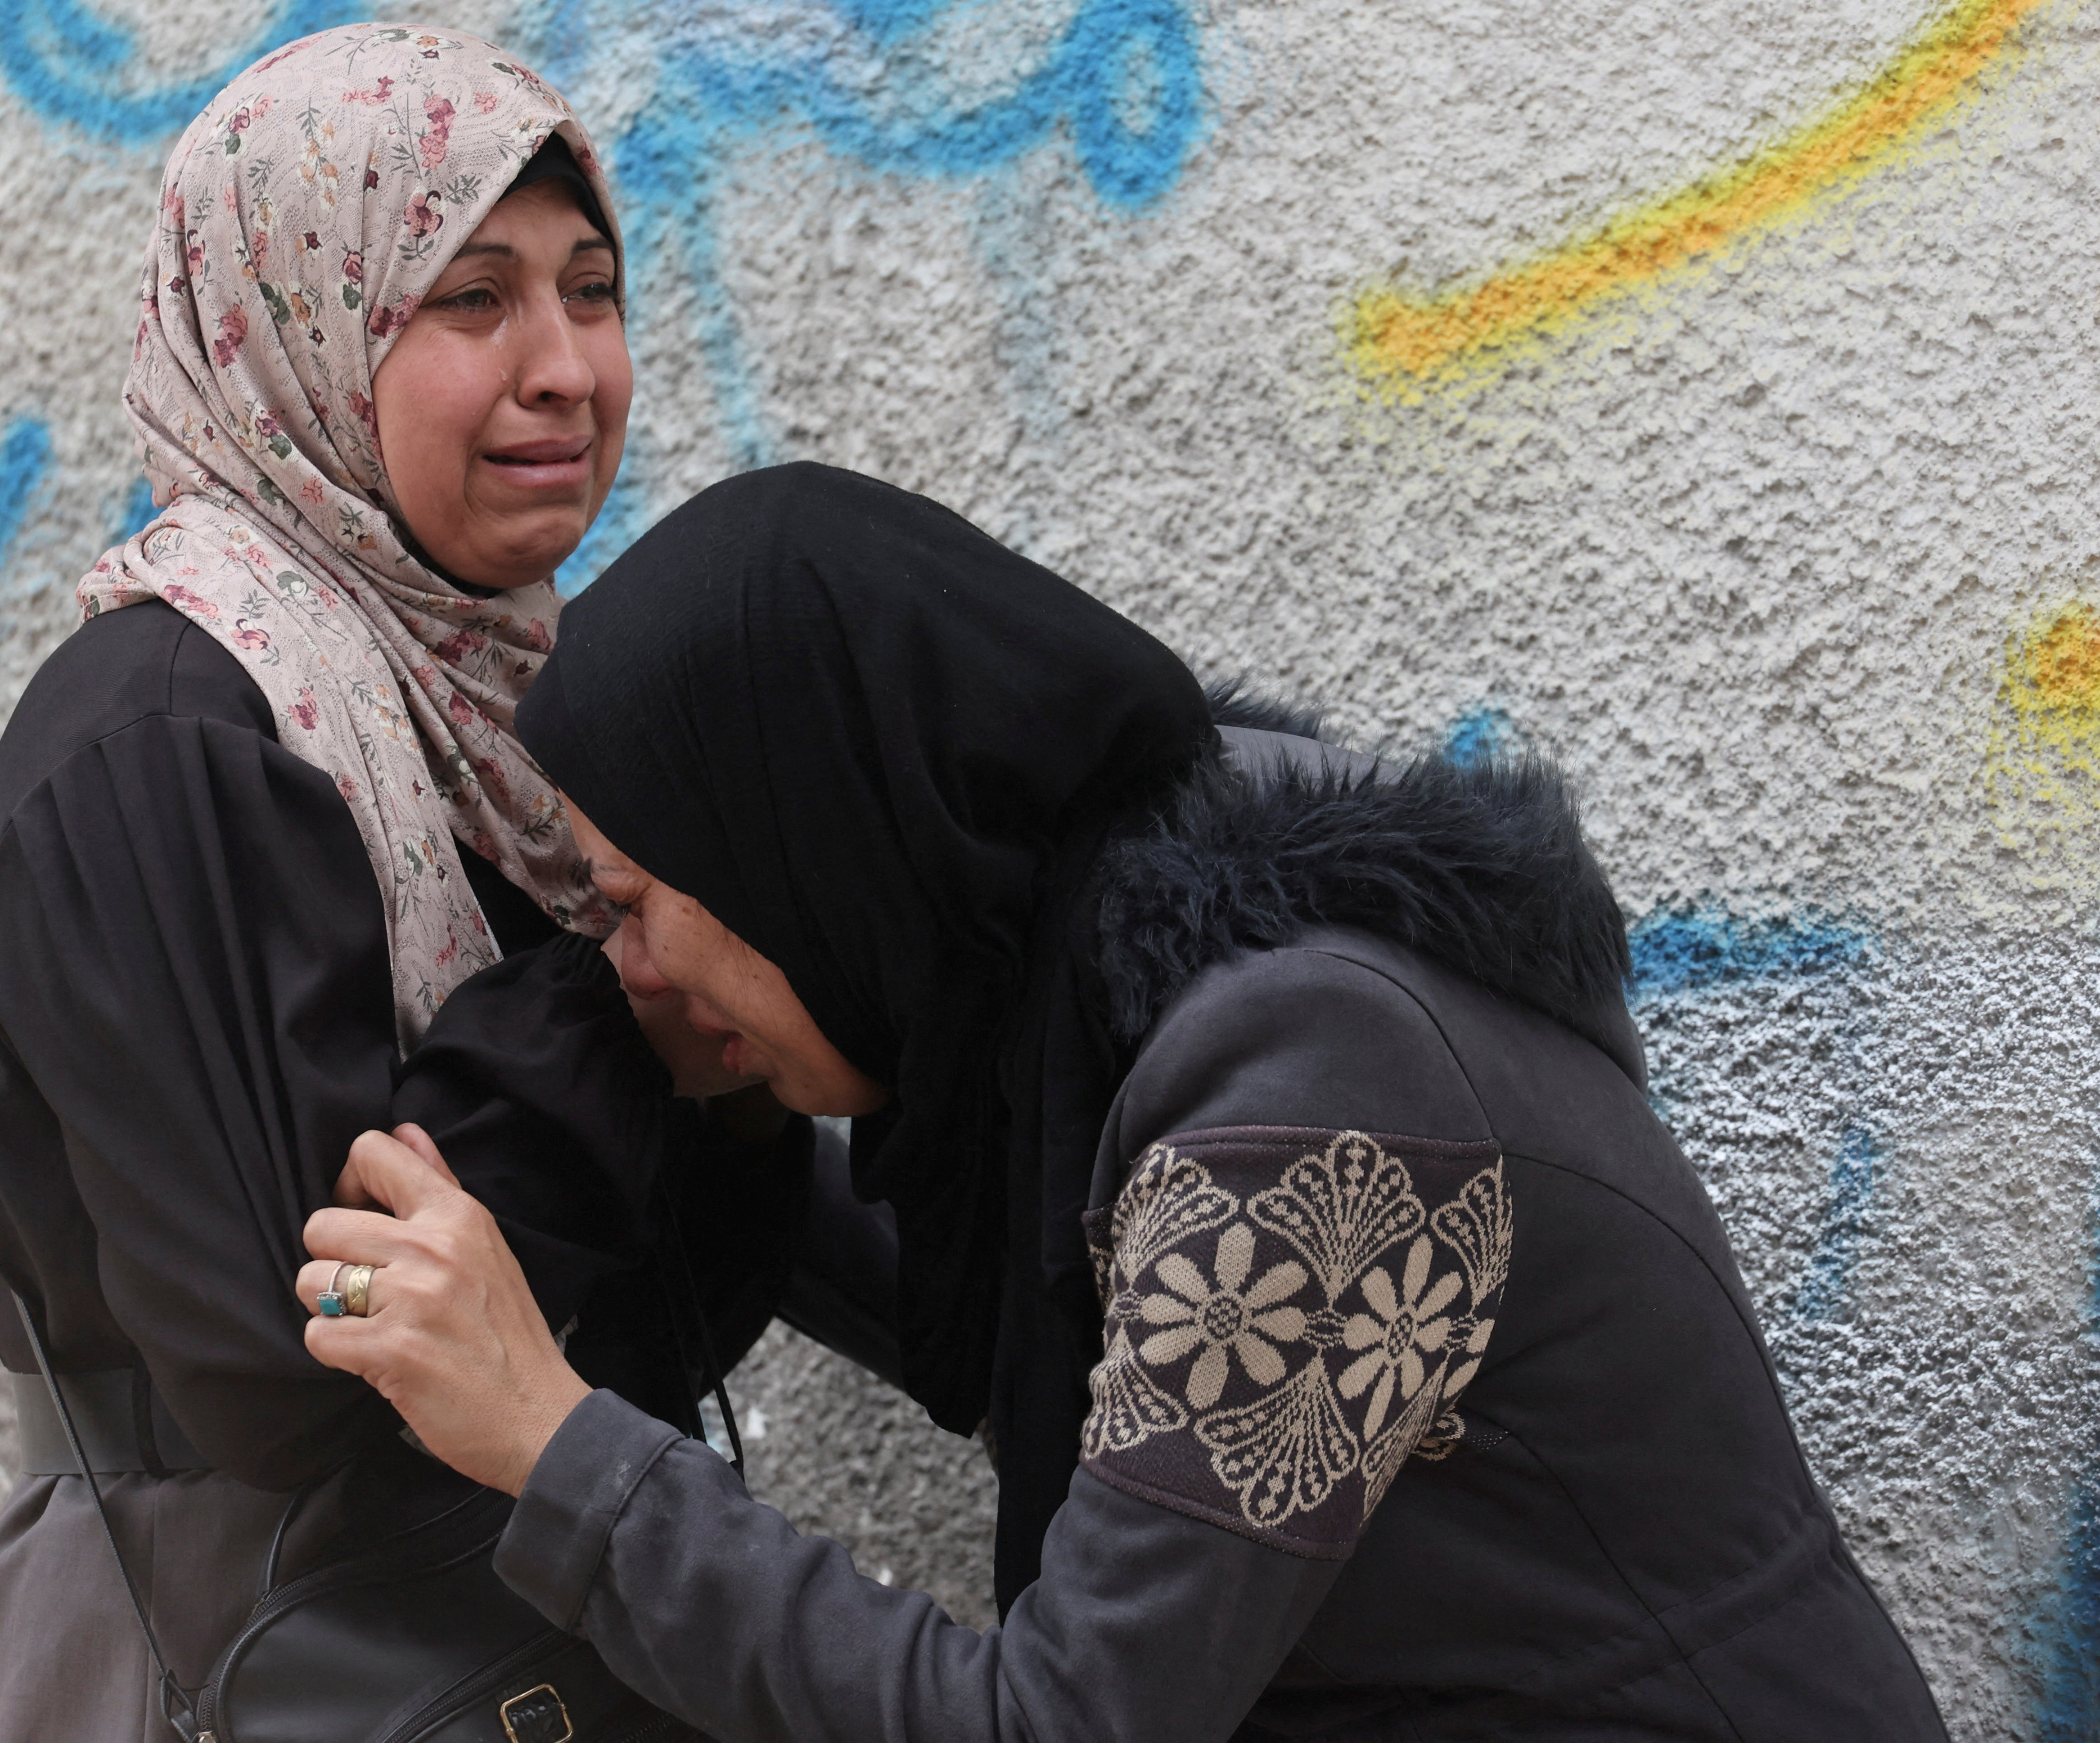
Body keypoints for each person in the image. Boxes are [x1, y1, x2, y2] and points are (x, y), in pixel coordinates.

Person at [294, 463, 1951, 1739]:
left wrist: (552, 1439)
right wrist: (712, 1129)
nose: (629, 969)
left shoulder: (1320, 1116)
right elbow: (1010, 1286)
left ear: (808, 862)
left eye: (639, 901)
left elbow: (1065, 1723)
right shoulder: (1115, 999)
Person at [0, 27, 808, 1742]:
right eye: (472, 299)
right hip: (256, 1648)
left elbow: (654, 1262)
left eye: (595, 288)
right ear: (296, 325)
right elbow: (294, 1352)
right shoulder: (176, 737)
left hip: (504, 1628)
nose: (567, 367)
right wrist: (629, 1005)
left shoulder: (499, 713)